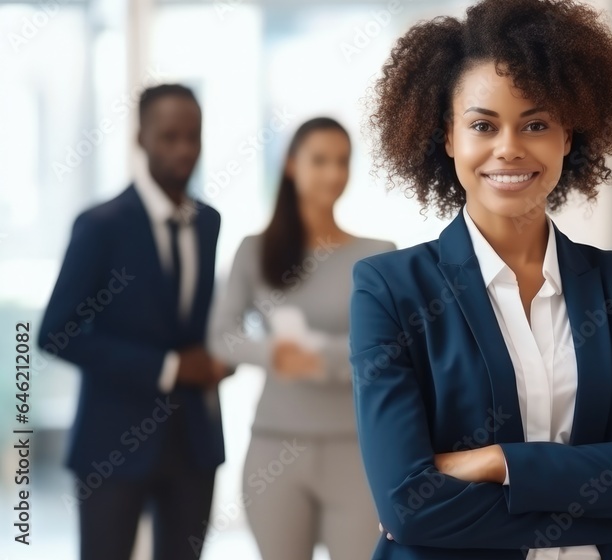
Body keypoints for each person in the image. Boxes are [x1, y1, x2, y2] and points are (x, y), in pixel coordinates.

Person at [349, 0, 612, 558]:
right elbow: (411, 508)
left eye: (536, 124)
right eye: (482, 125)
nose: (509, 148)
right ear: (447, 136)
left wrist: (503, 463)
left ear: (568, 136)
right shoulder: (390, 290)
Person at [39, 84, 229, 560]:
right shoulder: (101, 225)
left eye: (193, 136)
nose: (184, 148)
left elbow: (195, 322)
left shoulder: (209, 222)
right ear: (140, 137)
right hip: (112, 444)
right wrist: (167, 367)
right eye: (169, 136)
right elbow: (56, 333)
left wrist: (227, 354)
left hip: (194, 445)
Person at [207, 117, 394, 560]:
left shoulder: (378, 255)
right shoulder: (255, 250)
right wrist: (272, 352)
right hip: (275, 447)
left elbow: (390, 349)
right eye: (320, 160)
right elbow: (221, 336)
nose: (333, 173)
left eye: (343, 161)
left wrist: (323, 359)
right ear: (291, 165)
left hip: (356, 450)